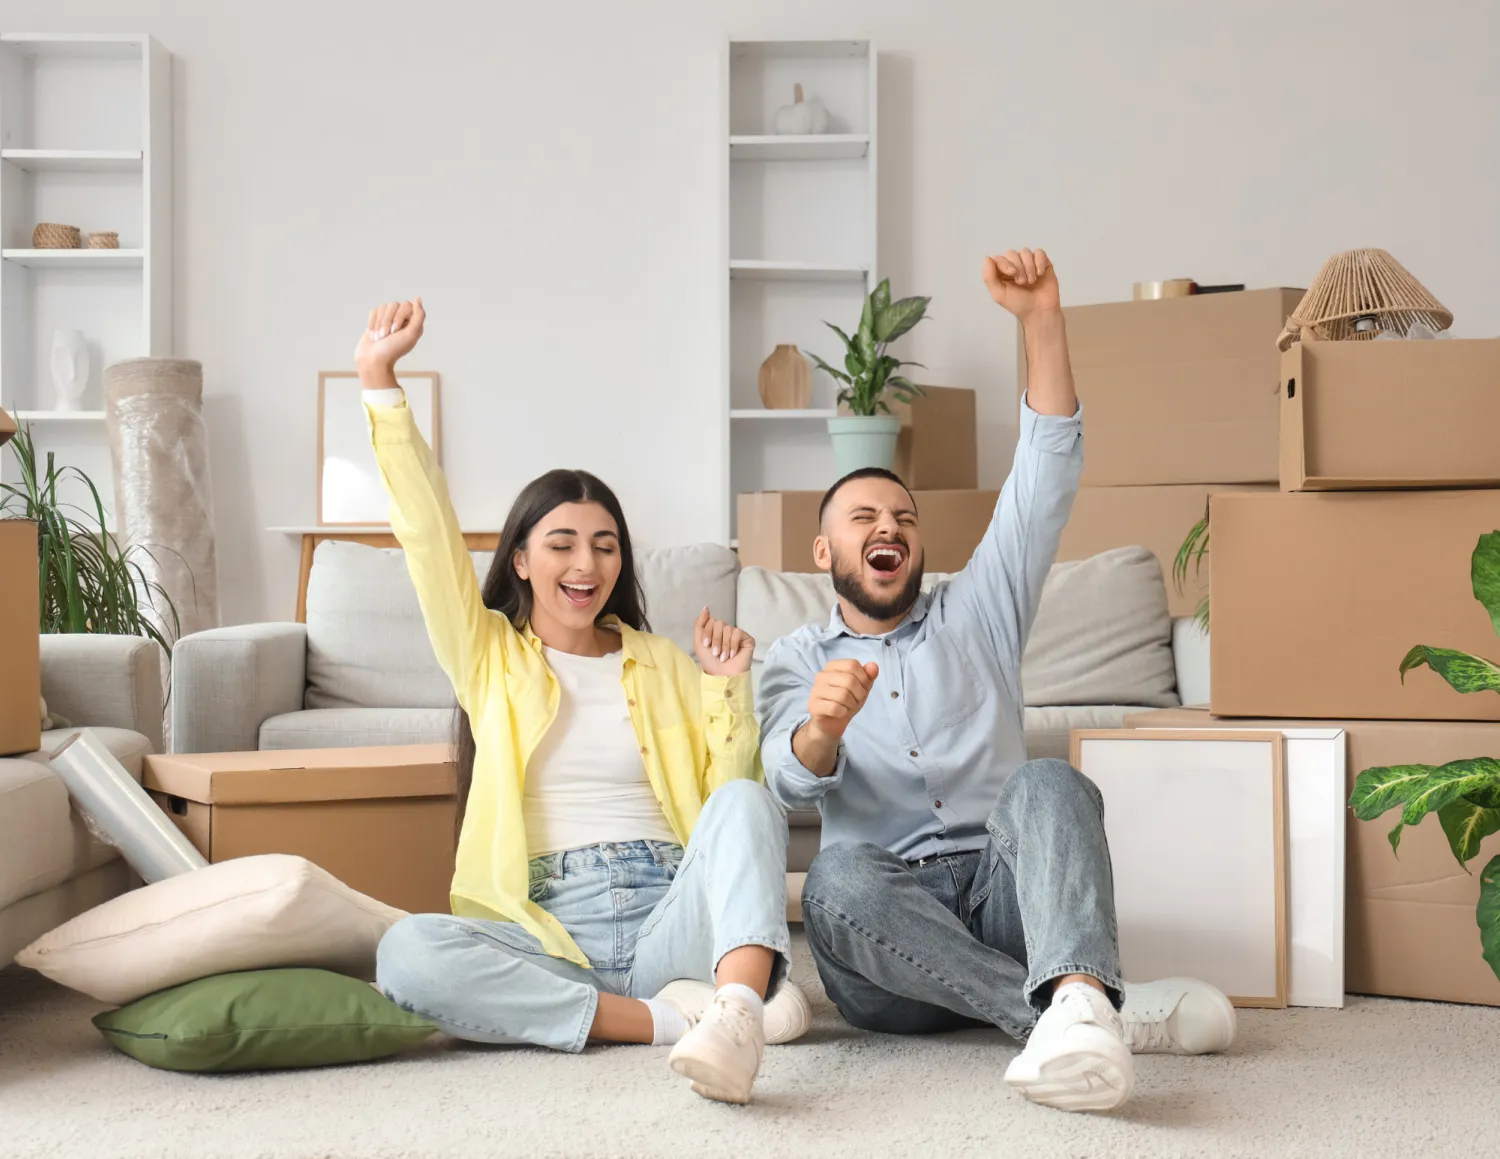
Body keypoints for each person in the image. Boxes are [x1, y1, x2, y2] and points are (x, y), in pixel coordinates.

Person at [757, 249, 1236, 1114]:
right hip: (889, 947)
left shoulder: (978, 606)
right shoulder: (794, 656)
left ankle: (1076, 1004)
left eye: (902, 516)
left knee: (1050, 780)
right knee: (833, 881)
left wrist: (1041, 320)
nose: (888, 525)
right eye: (862, 517)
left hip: (1002, 893)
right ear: (823, 552)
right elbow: (785, 777)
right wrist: (820, 728)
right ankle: (1074, 1008)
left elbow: (1045, 471)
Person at [357, 298, 809, 1105]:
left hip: (670, 904)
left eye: (605, 545)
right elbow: (427, 537)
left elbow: (727, 804)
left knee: (747, 798)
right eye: (561, 543)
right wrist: (380, 385)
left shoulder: (665, 661)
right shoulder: (489, 653)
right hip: (546, 927)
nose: (586, 561)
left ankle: (735, 1010)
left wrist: (726, 690)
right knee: (406, 951)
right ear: (521, 560)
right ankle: (669, 1021)